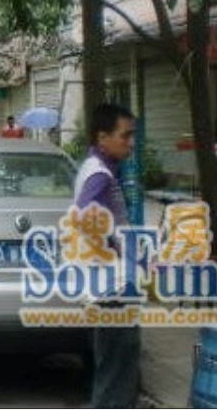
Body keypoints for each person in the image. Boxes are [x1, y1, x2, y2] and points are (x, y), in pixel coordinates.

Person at [74, 102, 140, 408]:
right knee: (117, 370)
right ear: (102, 137)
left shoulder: (96, 168)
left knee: (113, 366)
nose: (131, 142)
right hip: (112, 288)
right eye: (125, 135)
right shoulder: (99, 175)